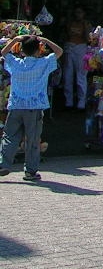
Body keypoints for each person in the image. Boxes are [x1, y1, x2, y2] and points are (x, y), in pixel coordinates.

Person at [0, 34, 63, 181]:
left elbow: (3, 53)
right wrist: (46, 40)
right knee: (33, 139)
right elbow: (59, 52)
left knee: (9, 136)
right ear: (38, 51)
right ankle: (30, 171)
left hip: (16, 106)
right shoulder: (43, 63)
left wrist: (15, 40)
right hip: (34, 107)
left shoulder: (16, 63)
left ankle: (3, 164)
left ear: (22, 51)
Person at [62, 5, 92, 110]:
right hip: (69, 47)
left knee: (81, 75)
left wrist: (86, 28)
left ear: (84, 14)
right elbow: (65, 34)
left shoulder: (86, 24)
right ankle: (68, 101)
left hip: (81, 48)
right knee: (67, 75)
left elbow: (89, 38)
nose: (77, 14)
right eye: (76, 12)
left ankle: (81, 102)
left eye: (80, 12)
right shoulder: (70, 22)